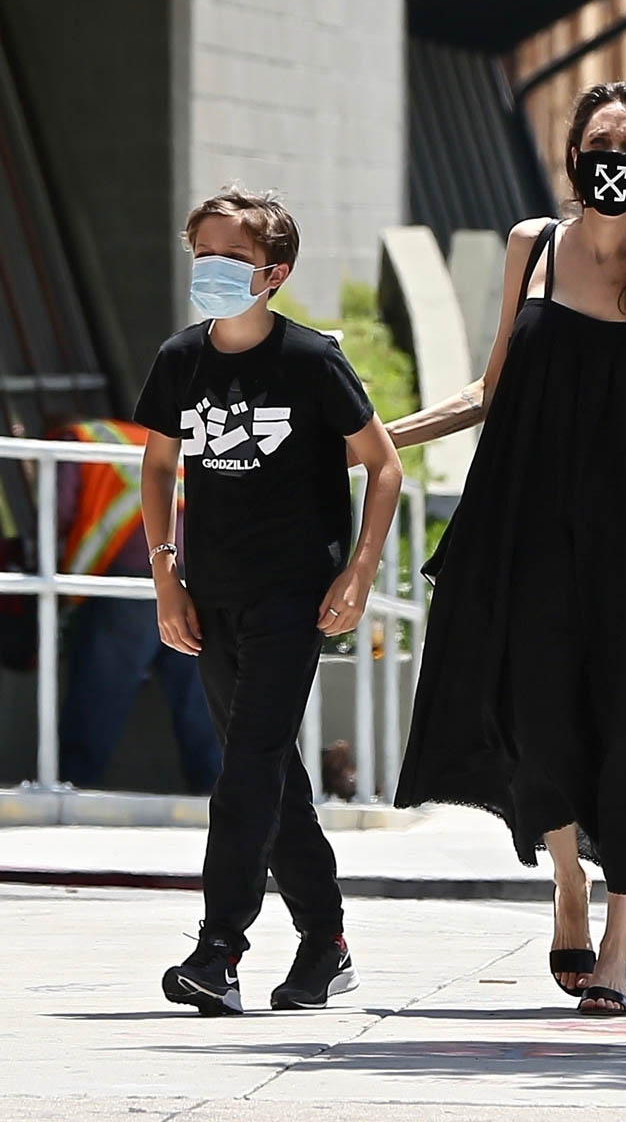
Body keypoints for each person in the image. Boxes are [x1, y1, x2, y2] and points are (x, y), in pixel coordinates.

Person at [389, 83, 626, 1015]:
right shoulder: (532, 248)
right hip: (534, 529)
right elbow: (491, 388)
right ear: (574, 156)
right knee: (540, 715)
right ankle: (567, 882)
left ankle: (619, 946)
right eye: (599, 144)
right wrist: (380, 438)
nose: (612, 160)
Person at [135, 185, 402, 1015]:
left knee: (248, 764)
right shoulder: (180, 358)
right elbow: (157, 466)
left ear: (273, 273)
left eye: (231, 257)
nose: (211, 269)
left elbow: (383, 465)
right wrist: (166, 576)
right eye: (201, 254)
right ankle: (326, 941)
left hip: (295, 597)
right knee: (271, 770)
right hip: (211, 596)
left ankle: (220, 947)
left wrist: (358, 572)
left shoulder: (311, 360)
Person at [54, 418, 220, 793]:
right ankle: (217, 793)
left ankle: (73, 789)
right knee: (202, 699)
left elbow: (57, 511)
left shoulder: (76, 439)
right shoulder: (175, 443)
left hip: (131, 583)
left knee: (100, 693)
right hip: (197, 581)